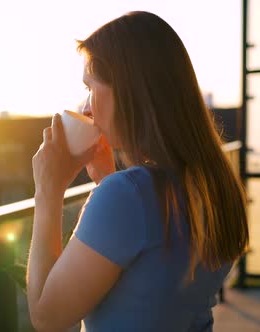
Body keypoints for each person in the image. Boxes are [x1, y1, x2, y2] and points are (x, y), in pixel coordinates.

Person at [26, 11, 248, 332]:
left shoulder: (128, 195)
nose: (86, 107)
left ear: (128, 91)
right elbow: (152, 266)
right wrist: (106, 179)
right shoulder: (214, 182)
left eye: (91, 87)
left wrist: (48, 191)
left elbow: (47, 318)